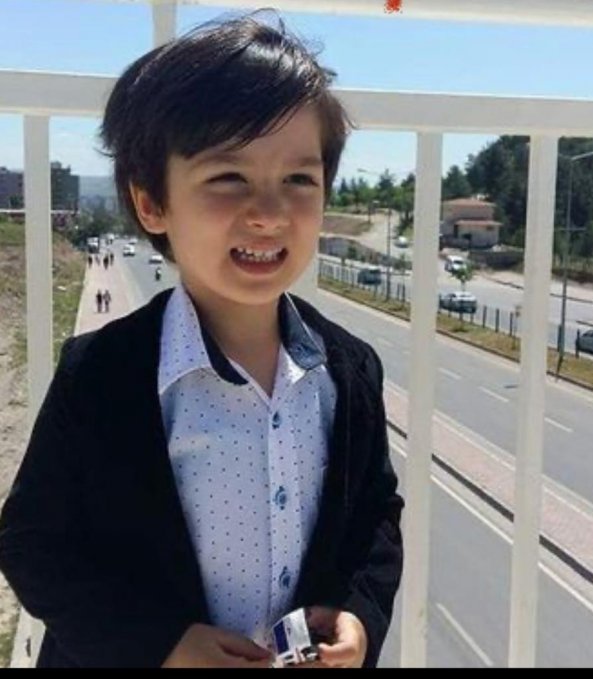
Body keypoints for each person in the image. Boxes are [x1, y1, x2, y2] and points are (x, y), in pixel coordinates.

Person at [0, 13, 403, 670]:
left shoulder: (349, 371)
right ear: (152, 203)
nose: (268, 212)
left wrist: (359, 613)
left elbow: (375, 517)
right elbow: (33, 542)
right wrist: (159, 643)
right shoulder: (104, 374)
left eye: (299, 179)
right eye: (228, 178)